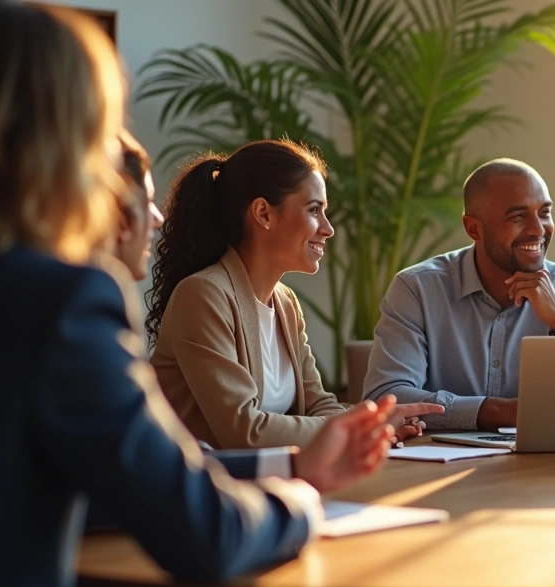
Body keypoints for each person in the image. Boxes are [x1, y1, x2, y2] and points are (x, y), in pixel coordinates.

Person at [0, 4, 383, 587]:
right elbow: (204, 534)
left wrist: (295, 465)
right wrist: (303, 504)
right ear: (68, 141)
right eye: (106, 128)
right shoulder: (61, 302)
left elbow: (83, 485)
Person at [112, 130, 418, 491]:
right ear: (263, 214)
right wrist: (346, 429)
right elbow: (245, 431)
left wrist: (364, 428)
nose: (328, 229)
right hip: (203, 496)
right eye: (314, 210)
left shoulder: (285, 303)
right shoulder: (203, 295)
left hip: (266, 487)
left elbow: (318, 403)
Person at [363, 158, 555, 430]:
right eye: (518, 216)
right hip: (443, 463)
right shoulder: (418, 289)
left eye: (544, 212)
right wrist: (500, 412)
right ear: (473, 228)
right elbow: (386, 399)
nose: (538, 230)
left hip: (550, 466)